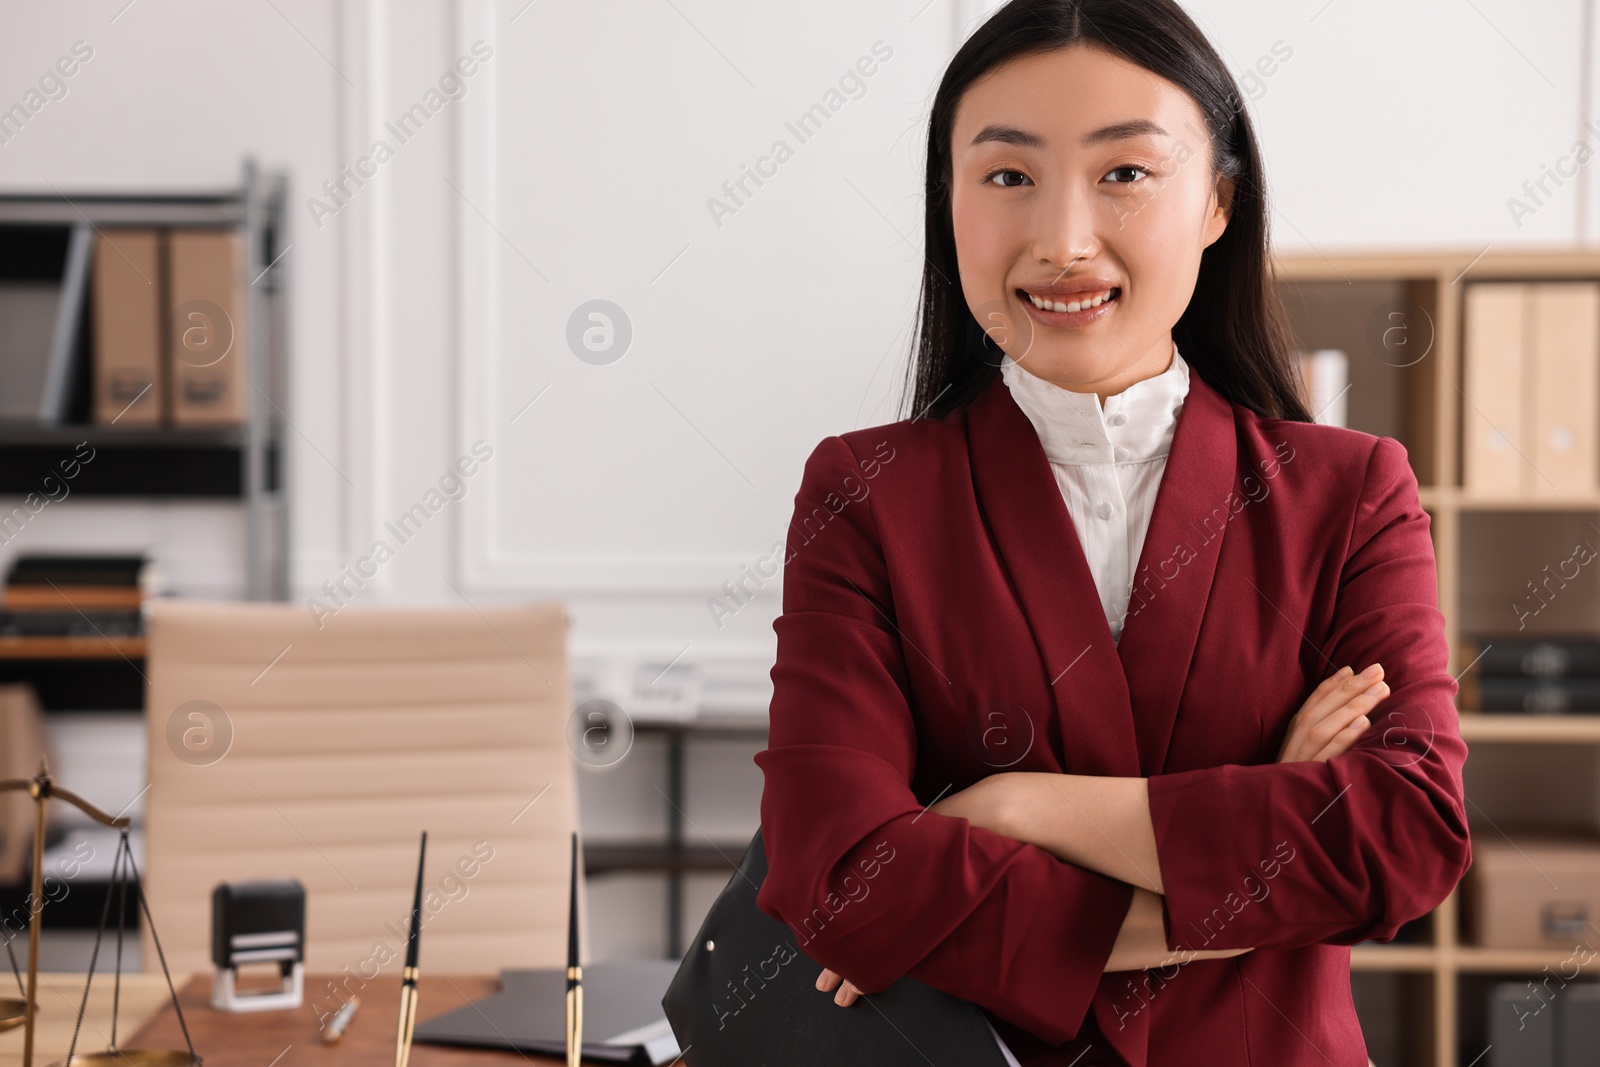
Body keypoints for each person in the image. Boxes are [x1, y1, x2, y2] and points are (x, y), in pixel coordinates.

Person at [751, 1, 1471, 1065]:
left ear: (1218, 202)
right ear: (946, 203)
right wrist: (1259, 842)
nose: (1060, 241)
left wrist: (1004, 804)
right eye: (1006, 177)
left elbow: (1404, 833)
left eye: (1125, 173)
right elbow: (840, 877)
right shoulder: (864, 492)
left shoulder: (1350, 489)